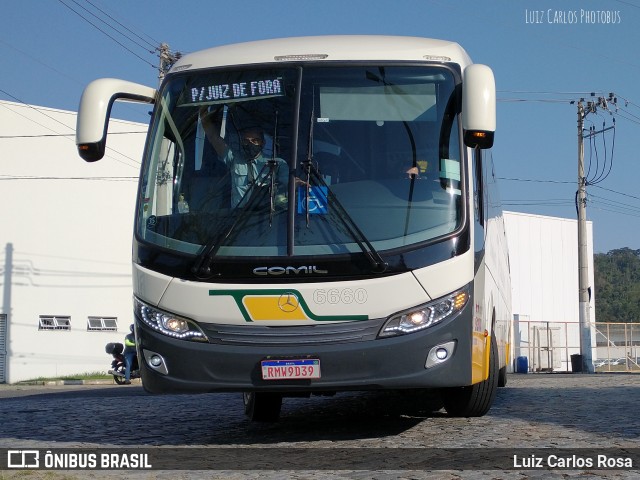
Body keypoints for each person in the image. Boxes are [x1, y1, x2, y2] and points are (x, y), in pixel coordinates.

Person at [200, 109, 288, 208]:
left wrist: (295, 184)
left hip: (267, 218)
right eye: (246, 141)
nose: (250, 144)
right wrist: (204, 118)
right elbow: (214, 138)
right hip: (238, 220)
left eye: (255, 140)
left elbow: (287, 188)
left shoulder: (278, 164)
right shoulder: (234, 159)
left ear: (262, 143)